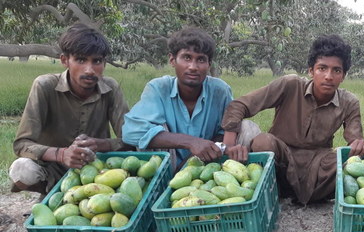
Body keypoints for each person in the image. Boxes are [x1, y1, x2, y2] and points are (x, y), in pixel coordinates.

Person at [221, 35, 364, 204]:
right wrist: (229, 146)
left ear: (343, 76)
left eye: (336, 70)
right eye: (322, 68)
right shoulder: (290, 85)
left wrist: (358, 145)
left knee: (347, 163)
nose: (329, 76)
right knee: (263, 142)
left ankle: (299, 193)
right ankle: (274, 187)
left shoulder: (349, 102)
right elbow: (240, 105)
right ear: (310, 71)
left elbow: (355, 140)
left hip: (317, 164)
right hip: (281, 157)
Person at [11, 23, 130, 195]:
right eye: (81, 60)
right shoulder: (44, 86)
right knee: (21, 169)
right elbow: (22, 145)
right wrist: (62, 154)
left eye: (97, 61)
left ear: (104, 63)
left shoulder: (110, 88)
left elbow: (130, 140)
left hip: (97, 169)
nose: (89, 70)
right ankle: (50, 195)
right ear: (65, 60)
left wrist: (100, 144)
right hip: (53, 168)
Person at [122, 27, 260, 168]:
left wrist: (204, 151)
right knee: (151, 129)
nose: (193, 67)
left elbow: (225, 131)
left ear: (209, 64)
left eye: (200, 60)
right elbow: (131, 132)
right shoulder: (158, 88)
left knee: (247, 128)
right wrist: (191, 142)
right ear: (172, 60)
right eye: (187, 57)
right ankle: (161, 184)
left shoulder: (220, 91)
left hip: (208, 164)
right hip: (166, 163)